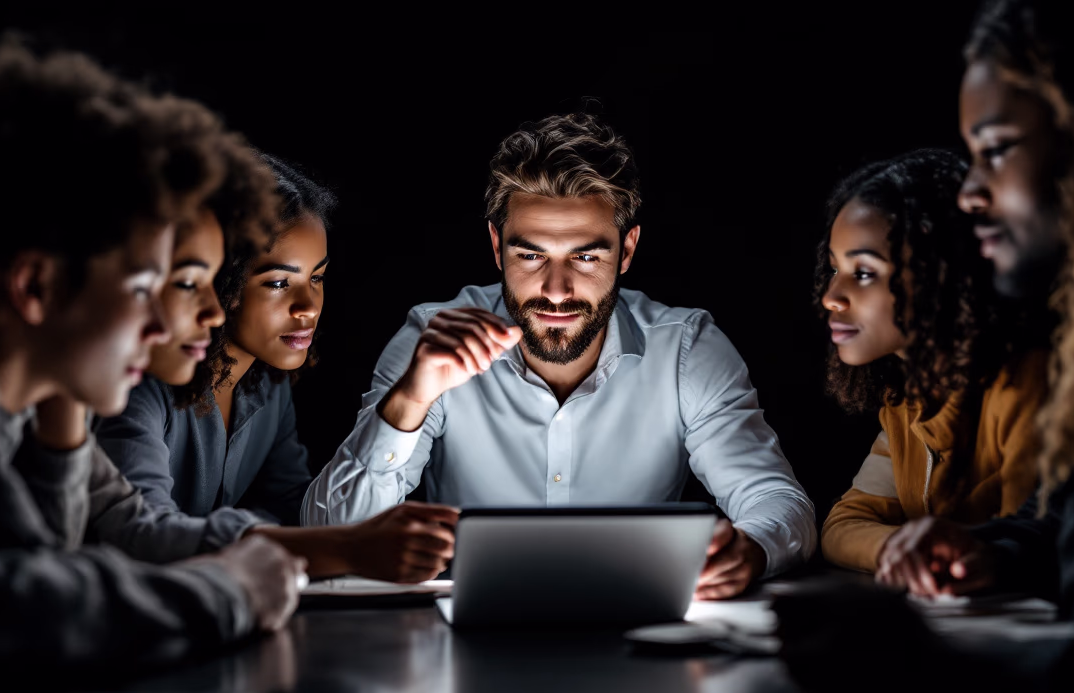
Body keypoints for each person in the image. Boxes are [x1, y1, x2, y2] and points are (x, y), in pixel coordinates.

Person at [776, 0, 1074, 693]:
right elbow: (1054, 530)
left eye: (997, 149)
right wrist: (989, 549)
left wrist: (930, 666)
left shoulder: (1052, 376)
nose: (971, 193)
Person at [303, 113, 816, 599]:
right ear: (495, 245)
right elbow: (330, 534)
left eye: (586, 256)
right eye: (530, 255)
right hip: (465, 640)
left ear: (628, 249)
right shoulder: (432, 337)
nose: (555, 290)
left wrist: (750, 550)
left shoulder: (686, 347)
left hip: (638, 635)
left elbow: (779, 504)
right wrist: (410, 400)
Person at [0, 42, 304, 682]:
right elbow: (14, 615)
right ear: (35, 288)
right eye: (144, 288)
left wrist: (62, 422)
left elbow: (27, 570)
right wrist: (230, 592)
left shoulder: (3, 407)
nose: (162, 323)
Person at [96, 156, 458, 583]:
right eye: (277, 283)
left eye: (317, 278)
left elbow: (294, 513)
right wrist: (347, 547)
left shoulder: (266, 384)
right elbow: (140, 536)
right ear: (220, 277)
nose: (308, 307)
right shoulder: (138, 384)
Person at [816, 149, 1048, 577]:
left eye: (863, 272)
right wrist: (900, 550)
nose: (831, 296)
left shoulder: (1025, 384)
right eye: (834, 269)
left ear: (940, 275)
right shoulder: (905, 403)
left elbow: (1041, 539)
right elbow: (843, 525)